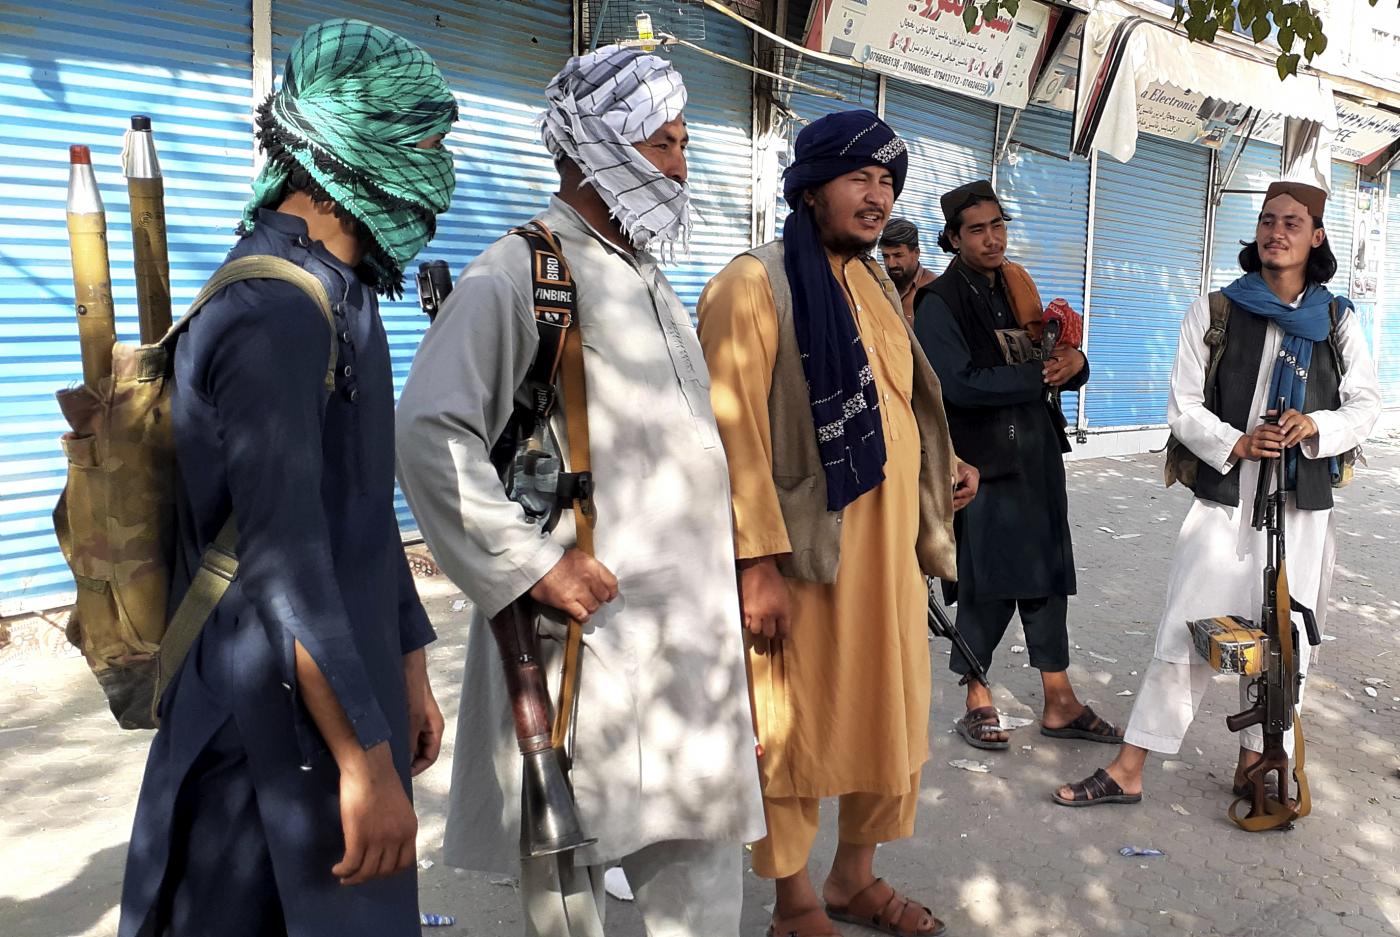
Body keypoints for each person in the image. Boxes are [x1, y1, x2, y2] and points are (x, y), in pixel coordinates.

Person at [394, 45, 765, 936]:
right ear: (594, 147)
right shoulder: (519, 270)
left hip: (689, 652)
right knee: (572, 894)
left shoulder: (648, 274)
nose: (679, 166)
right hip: (584, 645)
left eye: (683, 144)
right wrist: (530, 566)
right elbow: (430, 433)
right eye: (661, 144)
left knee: (703, 888)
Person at [119, 19, 457, 937]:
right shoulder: (273, 313)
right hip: (262, 720)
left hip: (339, 688)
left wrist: (409, 672)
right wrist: (362, 759)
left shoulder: (347, 295)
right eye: (427, 144)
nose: (441, 168)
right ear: (358, 144)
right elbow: (284, 563)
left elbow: (364, 508)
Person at [697, 110, 978, 937]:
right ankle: (794, 903)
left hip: (889, 555)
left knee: (890, 714)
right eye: (860, 178)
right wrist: (755, 563)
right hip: (806, 557)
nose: (876, 196)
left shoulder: (873, 282)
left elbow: (903, 398)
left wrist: (942, 465)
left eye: (887, 182)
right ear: (811, 187)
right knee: (794, 725)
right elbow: (732, 434)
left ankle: (855, 877)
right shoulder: (754, 285)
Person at [1053, 180, 1382, 807]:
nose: (1276, 232)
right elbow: (1183, 406)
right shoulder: (1217, 310)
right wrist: (1237, 442)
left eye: (1291, 223)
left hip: (1301, 508)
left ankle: (1255, 762)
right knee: (1186, 627)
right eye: (1267, 221)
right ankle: (1130, 768)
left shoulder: (1337, 319)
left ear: (1316, 237)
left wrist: (1315, 426)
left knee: (1284, 640)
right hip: (1226, 501)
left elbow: (1365, 404)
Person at [912, 179, 1118, 753]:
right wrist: (1036, 377)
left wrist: (1075, 364)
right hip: (983, 464)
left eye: (998, 225)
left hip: (1037, 452)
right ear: (954, 239)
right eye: (977, 230)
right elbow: (956, 384)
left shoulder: (1017, 284)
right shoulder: (939, 302)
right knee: (987, 581)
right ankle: (976, 695)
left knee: (1048, 575)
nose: (992, 239)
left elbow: (1048, 354)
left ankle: (1059, 699)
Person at [879, 217, 937, 323]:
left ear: (916, 253)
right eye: (886, 256)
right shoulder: (880, 287)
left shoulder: (933, 289)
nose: (891, 264)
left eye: (898, 255)